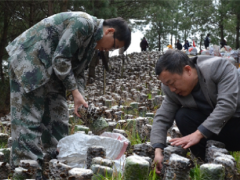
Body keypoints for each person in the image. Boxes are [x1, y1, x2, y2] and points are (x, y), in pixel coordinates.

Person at [6, 11, 131, 178]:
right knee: (28, 122)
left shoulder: (92, 44)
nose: (109, 50)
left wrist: (80, 98)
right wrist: (74, 91)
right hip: (31, 64)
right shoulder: (83, 23)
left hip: (52, 74)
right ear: (110, 31)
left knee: (59, 120)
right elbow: (61, 60)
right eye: (113, 46)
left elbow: (78, 73)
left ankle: (54, 168)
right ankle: (27, 172)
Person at [151, 50, 240, 174]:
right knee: (183, 116)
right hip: (215, 132)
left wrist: (198, 134)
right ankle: (207, 165)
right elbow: (162, 118)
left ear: (188, 70)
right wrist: (158, 149)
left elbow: (227, 106)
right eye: (167, 85)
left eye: (172, 83)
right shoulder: (172, 90)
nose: (171, 89)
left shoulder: (218, 67)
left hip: (236, 124)